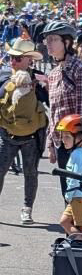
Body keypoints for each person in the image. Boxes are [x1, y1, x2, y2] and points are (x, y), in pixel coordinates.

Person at [44, 20, 82, 195]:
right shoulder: (53, 74)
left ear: (67, 42)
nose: (48, 43)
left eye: (53, 39)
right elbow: (54, 112)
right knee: (69, 197)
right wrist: (51, 143)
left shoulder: (80, 69)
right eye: (47, 40)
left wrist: (77, 144)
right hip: (64, 142)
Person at [0, 39, 48, 225]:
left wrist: (45, 85)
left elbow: (52, 101)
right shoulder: (3, 75)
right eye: (11, 57)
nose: (13, 61)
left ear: (29, 60)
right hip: (7, 135)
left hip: (32, 137)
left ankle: (27, 209)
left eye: (18, 58)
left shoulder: (40, 79)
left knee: (31, 173)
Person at [57, 115, 82, 240]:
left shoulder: (77, 155)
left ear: (79, 138)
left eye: (67, 137)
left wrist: (68, 195)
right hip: (81, 196)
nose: (63, 140)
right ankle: (80, 244)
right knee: (64, 221)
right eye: (62, 136)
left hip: (80, 196)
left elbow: (75, 178)